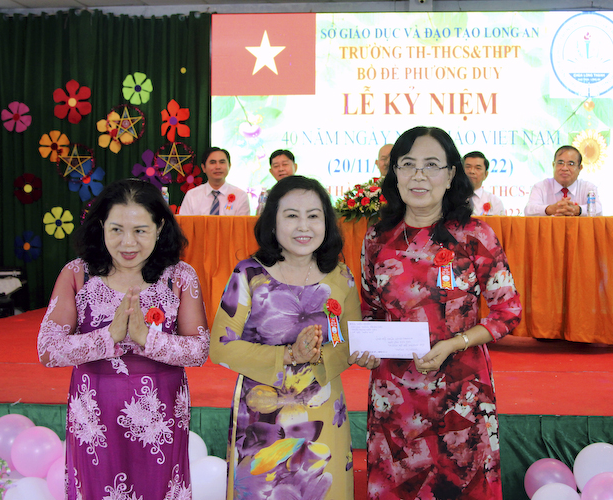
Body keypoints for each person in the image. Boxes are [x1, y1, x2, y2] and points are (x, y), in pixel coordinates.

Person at [358, 126, 522, 499]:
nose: (419, 175)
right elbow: (370, 310)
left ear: (450, 175)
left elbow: (507, 311)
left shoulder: (475, 235)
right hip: (394, 393)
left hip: (460, 390)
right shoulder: (377, 238)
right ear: (394, 173)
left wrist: (453, 343)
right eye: (408, 164)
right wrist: (366, 348)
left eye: (431, 165)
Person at [37, 179, 210, 500]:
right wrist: (108, 337)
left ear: (160, 227)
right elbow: (48, 350)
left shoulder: (179, 276)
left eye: (140, 231)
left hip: (160, 415)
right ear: (101, 226)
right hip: (94, 415)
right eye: (116, 229)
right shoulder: (78, 273)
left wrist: (146, 338)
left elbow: (199, 350)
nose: (128, 243)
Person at [210, 175, 362, 500]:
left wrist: (347, 354)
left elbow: (351, 340)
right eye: (291, 215)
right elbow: (220, 347)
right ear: (273, 221)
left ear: (326, 222)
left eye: (313, 216)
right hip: (262, 417)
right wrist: (289, 355)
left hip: (323, 406)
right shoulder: (248, 274)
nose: (303, 226)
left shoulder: (341, 275)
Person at [524, 145, 602, 216]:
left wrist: (578, 210)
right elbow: (529, 210)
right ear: (553, 165)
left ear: (580, 168)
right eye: (560, 163)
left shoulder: (588, 188)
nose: (564, 168)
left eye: (571, 164)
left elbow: (598, 209)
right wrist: (550, 209)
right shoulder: (540, 187)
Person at [180, 146, 251, 215]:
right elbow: (184, 222)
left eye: (222, 162)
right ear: (204, 168)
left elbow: (243, 223)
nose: (218, 167)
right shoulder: (192, 196)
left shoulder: (241, 196)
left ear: (229, 166)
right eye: (212, 162)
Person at [256, 149, 298, 215]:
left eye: (285, 164)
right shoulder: (267, 195)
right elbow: (260, 218)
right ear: (271, 171)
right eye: (276, 166)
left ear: (295, 167)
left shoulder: (306, 191)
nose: (281, 169)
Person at [463, 150, 506, 216]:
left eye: (478, 168)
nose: (472, 171)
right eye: (468, 167)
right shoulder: (451, 197)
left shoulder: (495, 202)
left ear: (486, 174)